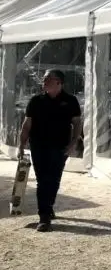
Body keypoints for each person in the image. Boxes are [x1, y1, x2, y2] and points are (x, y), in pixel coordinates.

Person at [18, 69, 82, 232]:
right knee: (42, 181)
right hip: (38, 146)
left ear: (59, 82)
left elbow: (77, 123)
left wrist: (73, 143)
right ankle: (44, 217)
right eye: (44, 79)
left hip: (60, 146)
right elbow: (26, 125)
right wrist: (21, 145)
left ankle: (49, 206)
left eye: (48, 79)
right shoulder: (36, 101)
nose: (44, 82)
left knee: (54, 179)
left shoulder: (70, 101)